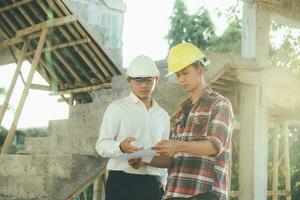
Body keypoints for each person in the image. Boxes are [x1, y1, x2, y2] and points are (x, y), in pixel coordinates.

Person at [154, 42, 235, 200]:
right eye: (178, 75)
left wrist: (176, 145)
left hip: (203, 193)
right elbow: (174, 158)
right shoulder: (181, 113)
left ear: (200, 70)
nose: (181, 79)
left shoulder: (219, 104)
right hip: (175, 193)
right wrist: (143, 159)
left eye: (185, 73)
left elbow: (214, 146)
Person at [95, 55, 170, 200]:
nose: (144, 85)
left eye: (149, 80)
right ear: (129, 80)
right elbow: (101, 145)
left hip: (152, 185)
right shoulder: (117, 108)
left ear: (157, 78)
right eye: (138, 80)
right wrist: (121, 147)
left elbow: (164, 153)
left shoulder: (163, 116)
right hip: (122, 182)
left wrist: (163, 182)